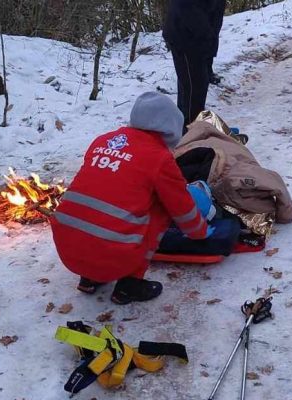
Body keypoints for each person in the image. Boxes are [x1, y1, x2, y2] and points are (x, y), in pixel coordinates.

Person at [51, 92, 211, 305]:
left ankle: (89, 279)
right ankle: (130, 285)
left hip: (67, 249)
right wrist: (200, 232)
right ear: (172, 127)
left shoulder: (103, 140)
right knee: (161, 206)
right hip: (113, 259)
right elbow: (181, 207)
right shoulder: (159, 158)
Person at [163, 0, 227, 125]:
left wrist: (210, 50)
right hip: (185, 37)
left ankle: (187, 129)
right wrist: (205, 35)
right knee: (193, 89)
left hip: (199, 39)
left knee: (195, 85)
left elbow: (214, 14)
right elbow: (185, 7)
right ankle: (190, 132)